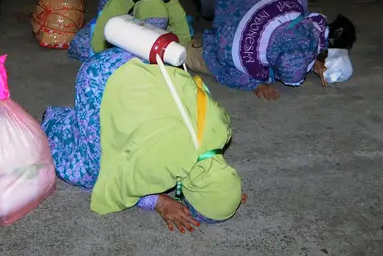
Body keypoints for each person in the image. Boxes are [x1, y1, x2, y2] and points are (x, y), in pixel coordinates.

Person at [42, 47, 244, 230]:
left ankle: (86, 122)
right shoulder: (160, 165)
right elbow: (117, 185)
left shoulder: (222, 129)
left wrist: (225, 190)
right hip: (98, 78)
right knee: (92, 171)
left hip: (139, 60)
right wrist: (158, 201)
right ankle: (54, 124)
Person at [187, 0, 328, 101]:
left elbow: (319, 28)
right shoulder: (239, 51)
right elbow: (227, 68)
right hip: (234, 7)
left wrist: (315, 57)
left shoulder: (306, 31)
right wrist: (255, 84)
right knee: (192, 55)